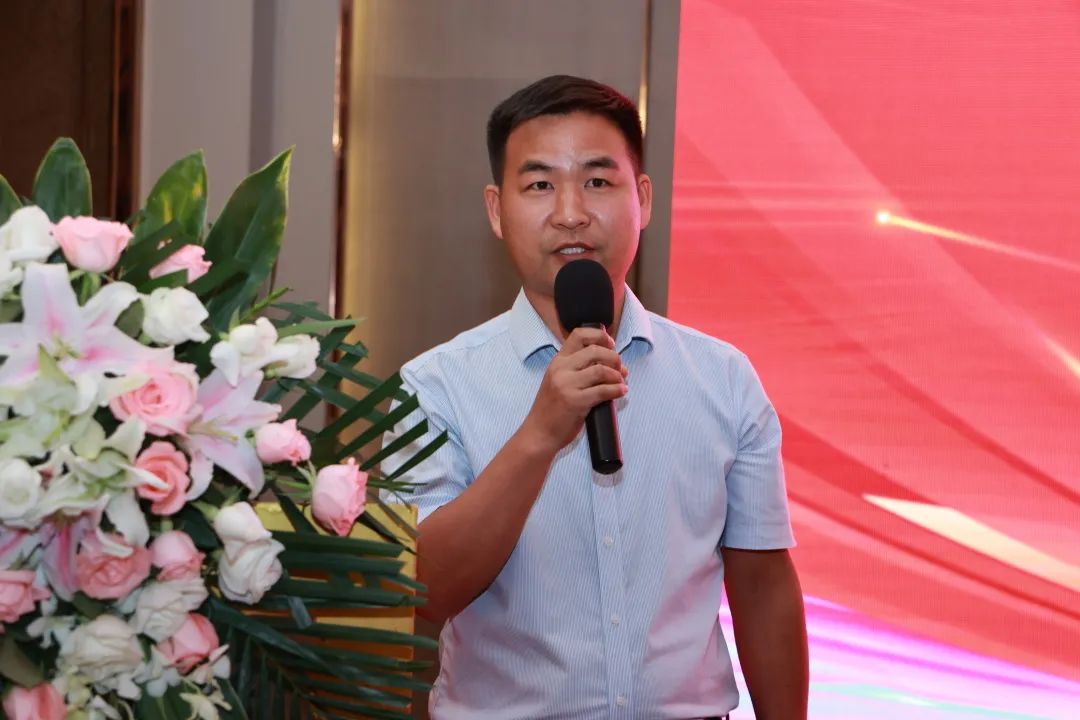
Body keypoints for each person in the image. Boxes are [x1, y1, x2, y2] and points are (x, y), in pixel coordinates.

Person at [382, 75, 809, 720]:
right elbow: (418, 594)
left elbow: (763, 583)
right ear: (497, 210)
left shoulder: (722, 377)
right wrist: (539, 435)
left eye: (598, 181)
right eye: (540, 185)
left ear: (643, 199)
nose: (570, 213)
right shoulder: (436, 386)